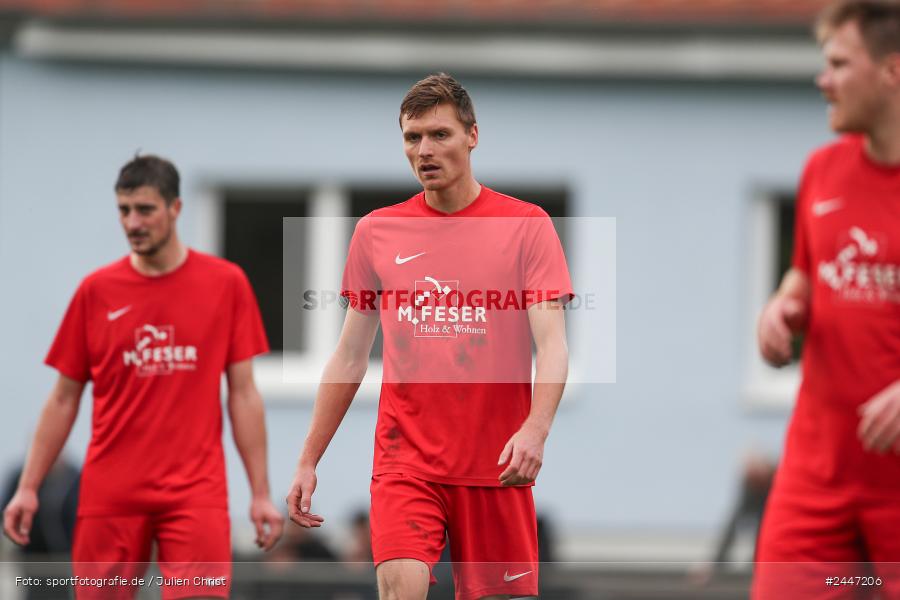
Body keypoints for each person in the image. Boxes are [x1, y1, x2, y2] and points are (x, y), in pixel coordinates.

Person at [286, 73, 572, 600]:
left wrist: (536, 429)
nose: (424, 150)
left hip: (497, 468)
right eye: (412, 137)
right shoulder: (376, 232)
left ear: (472, 136)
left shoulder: (526, 225)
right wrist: (308, 457)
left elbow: (551, 343)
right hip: (406, 461)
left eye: (439, 134)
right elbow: (349, 357)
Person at [2, 155, 284, 599]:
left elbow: (244, 394)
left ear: (175, 209)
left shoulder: (226, 284)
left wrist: (261, 492)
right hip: (110, 493)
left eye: (145, 209)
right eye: (124, 210)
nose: (133, 222)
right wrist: (28, 488)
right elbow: (63, 398)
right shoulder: (95, 292)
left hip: (195, 492)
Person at [754, 1, 900, 597]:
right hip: (817, 479)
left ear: (892, 71)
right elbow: (808, 274)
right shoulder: (822, 170)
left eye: (839, 63)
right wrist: (781, 306)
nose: (823, 80)